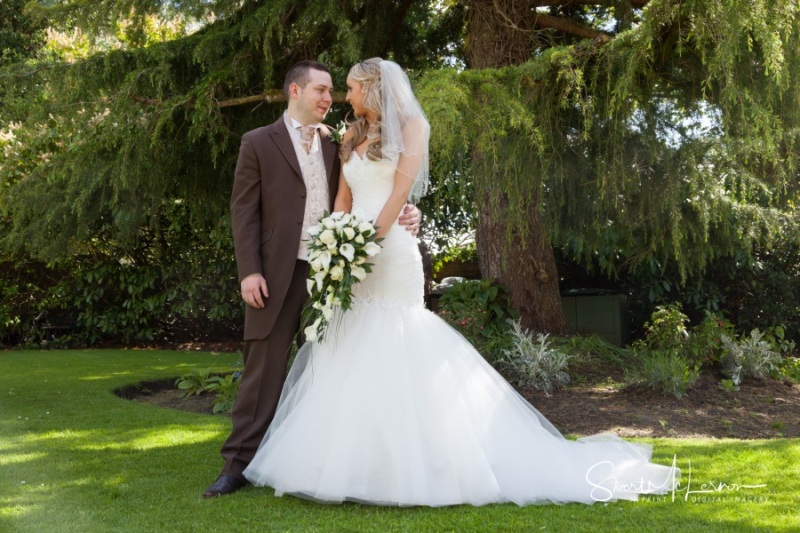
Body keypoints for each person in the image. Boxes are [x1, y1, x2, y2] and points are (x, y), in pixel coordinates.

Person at [242, 58, 679, 506]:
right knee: (350, 345)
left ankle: (420, 464)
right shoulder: (349, 135)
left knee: (398, 340)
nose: (344, 97)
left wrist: (369, 242)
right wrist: (337, 244)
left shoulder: (412, 128)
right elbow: (342, 197)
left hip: (390, 252)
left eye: (351, 88)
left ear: (373, 88)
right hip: (350, 254)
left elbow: (399, 194)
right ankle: (354, 464)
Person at [203, 60, 421, 498]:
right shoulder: (257, 142)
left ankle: (337, 458)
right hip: (277, 270)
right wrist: (249, 271)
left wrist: (410, 211)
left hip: (338, 269)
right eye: (321, 90)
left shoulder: (340, 140)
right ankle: (237, 464)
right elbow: (243, 213)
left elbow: (375, 188)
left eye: (334, 91)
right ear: (295, 92)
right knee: (263, 365)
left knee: (336, 360)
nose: (330, 98)